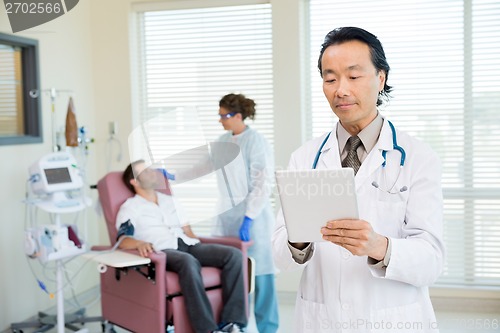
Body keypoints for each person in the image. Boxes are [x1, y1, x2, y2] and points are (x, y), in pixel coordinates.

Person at [272, 27, 445, 333]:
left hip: (392, 320)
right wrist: (298, 239)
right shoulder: (305, 157)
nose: (340, 89)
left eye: (353, 76)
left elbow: (432, 260)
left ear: (381, 78)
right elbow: (279, 256)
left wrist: (380, 246)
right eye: (330, 78)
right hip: (321, 320)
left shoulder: (418, 157)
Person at [116, 160, 247, 333]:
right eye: (145, 172)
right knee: (188, 261)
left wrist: (205, 247)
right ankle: (207, 329)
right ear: (134, 181)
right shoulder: (131, 207)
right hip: (163, 250)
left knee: (234, 255)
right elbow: (123, 239)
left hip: (187, 244)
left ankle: (232, 322)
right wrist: (139, 243)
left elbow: (188, 231)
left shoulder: (170, 200)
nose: (152, 173)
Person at [213, 93, 280, 333]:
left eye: (225, 115)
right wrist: (174, 174)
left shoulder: (256, 141)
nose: (221, 120)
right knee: (233, 277)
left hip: (255, 219)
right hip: (228, 218)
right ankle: (236, 325)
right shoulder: (222, 141)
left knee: (261, 277)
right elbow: (203, 166)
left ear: (239, 116)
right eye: (219, 115)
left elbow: (262, 183)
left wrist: (249, 218)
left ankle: (268, 328)